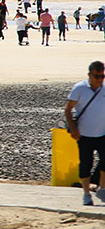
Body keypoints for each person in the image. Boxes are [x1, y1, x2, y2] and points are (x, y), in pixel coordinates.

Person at [64, 61, 105, 206]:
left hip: (102, 134)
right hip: (84, 134)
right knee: (86, 164)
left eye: (102, 76)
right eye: (97, 76)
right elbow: (68, 110)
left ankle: (102, 188)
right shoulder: (79, 88)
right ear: (89, 75)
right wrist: (73, 128)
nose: (100, 79)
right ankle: (86, 194)